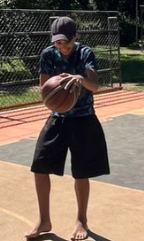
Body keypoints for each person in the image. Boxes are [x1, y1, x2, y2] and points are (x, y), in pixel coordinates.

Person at [25, 16, 110, 240]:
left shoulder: (85, 53)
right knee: (40, 165)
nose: (62, 47)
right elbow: (44, 89)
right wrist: (57, 90)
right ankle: (44, 220)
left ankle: (81, 220)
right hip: (58, 118)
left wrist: (79, 79)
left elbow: (95, 86)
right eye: (58, 43)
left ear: (75, 36)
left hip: (84, 119)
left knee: (81, 172)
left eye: (67, 42)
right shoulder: (48, 54)